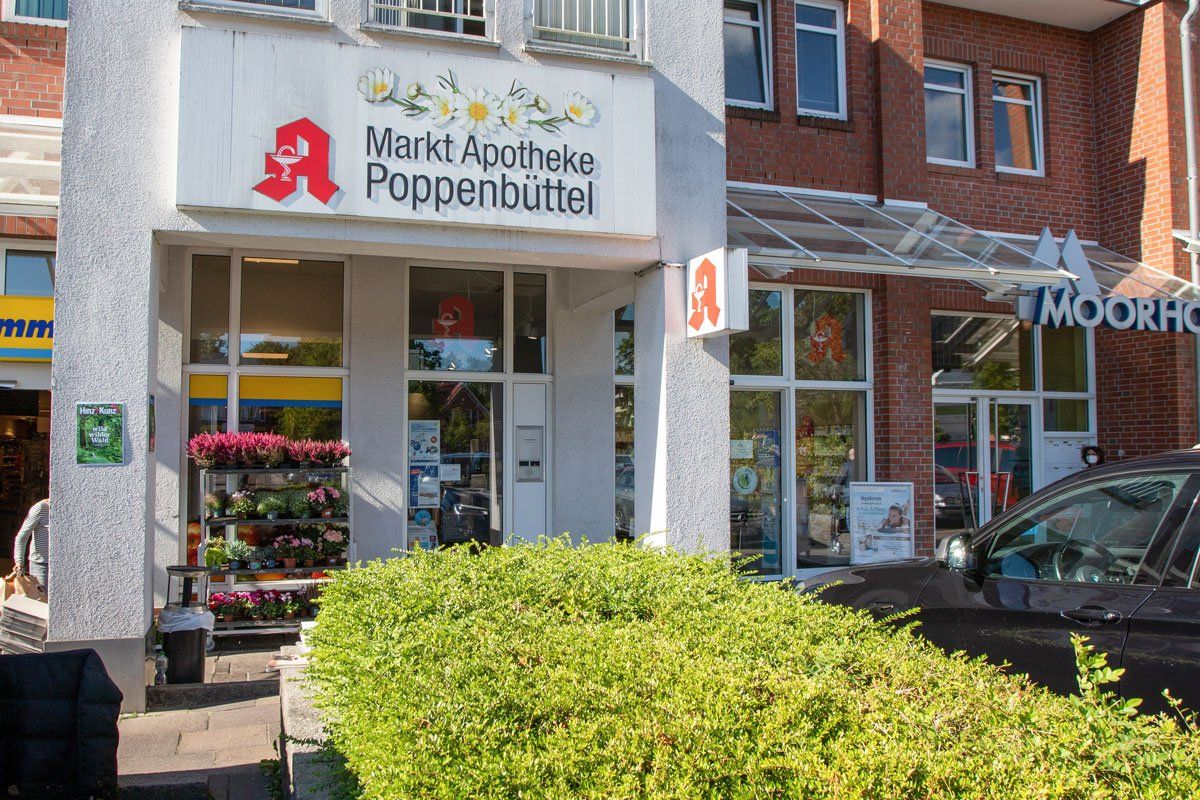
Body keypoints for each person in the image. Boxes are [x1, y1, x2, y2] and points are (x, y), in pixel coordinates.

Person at [13, 497, 49, 599]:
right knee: (40, 601)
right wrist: (19, 562)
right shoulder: (40, 508)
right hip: (41, 565)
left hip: (62, 564)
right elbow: (22, 537)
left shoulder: (67, 509)